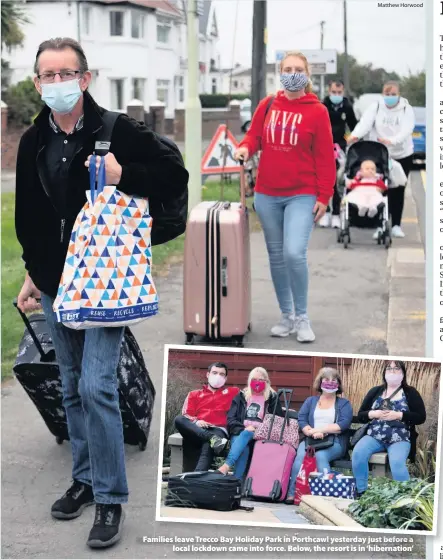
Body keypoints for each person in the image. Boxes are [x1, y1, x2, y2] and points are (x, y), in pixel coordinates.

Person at [15, 37, 188, 549]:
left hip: (107, 280)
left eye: (65, 73)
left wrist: (123, 174)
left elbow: (173, 175)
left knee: (96, 386)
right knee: (70, 386)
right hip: (55, 280)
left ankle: (110, 498)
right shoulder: (32, 140)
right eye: (47, 75)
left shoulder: (117, 131)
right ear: (37, 82)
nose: (56, 82)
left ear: (85, 79)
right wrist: (32, 272)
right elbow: (31, 212)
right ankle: (85, 479)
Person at [234, 50, 336, 342]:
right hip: (267, 194)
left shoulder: (317, 111)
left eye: (298, 68)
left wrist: (324, 195)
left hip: (302, 194)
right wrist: (244, 148)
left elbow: (325, 158)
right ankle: (286, 316)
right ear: (280, 72)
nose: (292, 72)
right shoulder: (268, 105)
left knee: (294, 252)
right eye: (287, 68)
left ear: (307, 75)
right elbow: (254, 136)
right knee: (277, 257)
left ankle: (302, 317)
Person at [348, 81, 415, 238]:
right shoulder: (376, 106)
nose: (390, 97)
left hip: (401, 153)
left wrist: (392, 140)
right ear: (382, 94)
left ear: (399, 94)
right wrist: (354, 136)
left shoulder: (406, 109)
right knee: (379, 187)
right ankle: (380, 224)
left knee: (398, 189)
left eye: (393, 94)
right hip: (380, 153)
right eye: (387, 94)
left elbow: (407, 129)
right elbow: (365, 123)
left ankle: (396, 225)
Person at [352, 361, 426, 498]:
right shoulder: (375, 391)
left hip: (400, 438)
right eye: (389, 368)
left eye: (396, 368)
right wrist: (372, 414)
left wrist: (399, 415)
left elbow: (421, 417)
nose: (392, 371)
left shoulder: (411, 392)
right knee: (358, 454)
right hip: (375, 436)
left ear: (403, 373)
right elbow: (361, 414)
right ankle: (361, 492)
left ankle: (406, 498)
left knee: (397, 463)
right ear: (384, 373)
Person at [285, 367, 352, 504]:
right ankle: (293, 493)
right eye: (326, 380)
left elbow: (343, 424)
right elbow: (302, 419)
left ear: (338, 384)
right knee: (300, 458)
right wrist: (310, 431)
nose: (330, 383)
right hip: (311, 439)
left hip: (334, 441)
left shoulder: (344, 403)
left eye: (334, 380)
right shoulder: (311, 401)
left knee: (321, 456)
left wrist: (321, 430)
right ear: (320, 382)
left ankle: (325, 496)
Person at [218, 367, 284, 479]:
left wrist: (259, 429)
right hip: (241, 431)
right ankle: (237, 483)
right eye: (254, 379)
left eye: (261, 379)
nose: (257, 382)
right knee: (244, 443)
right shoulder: (241, 396)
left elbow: (277, 420)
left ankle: (226, 466)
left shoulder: (272, 398)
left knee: (245, 436)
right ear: (249, 380)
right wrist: (244, 428)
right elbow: (231, 419)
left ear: (267, 382)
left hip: (262, 433)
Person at [175, 363, 239, 471]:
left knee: (208, 444)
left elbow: (250, 395)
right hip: (197, 429)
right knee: (179, 419)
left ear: (226, 378)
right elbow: (186, 414)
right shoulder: (194, 394)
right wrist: (196, 421)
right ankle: (211, 438)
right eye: (214, 373)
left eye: (221, 374)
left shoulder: (233, 392)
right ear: (208, 374)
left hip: (218, 429)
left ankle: (196, 479)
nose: (218, 376)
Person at [321, 80, 358, 228]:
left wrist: (352, 138)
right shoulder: (322, 106)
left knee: (336, 181)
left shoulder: (347, 107)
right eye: (334, 92)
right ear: (329, 92)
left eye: (339, 93)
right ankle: (325, 212)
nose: (336, 95)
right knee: (323, 181)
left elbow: (354, 126)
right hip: (322, 147)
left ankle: (336, 213)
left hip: (339, 148)